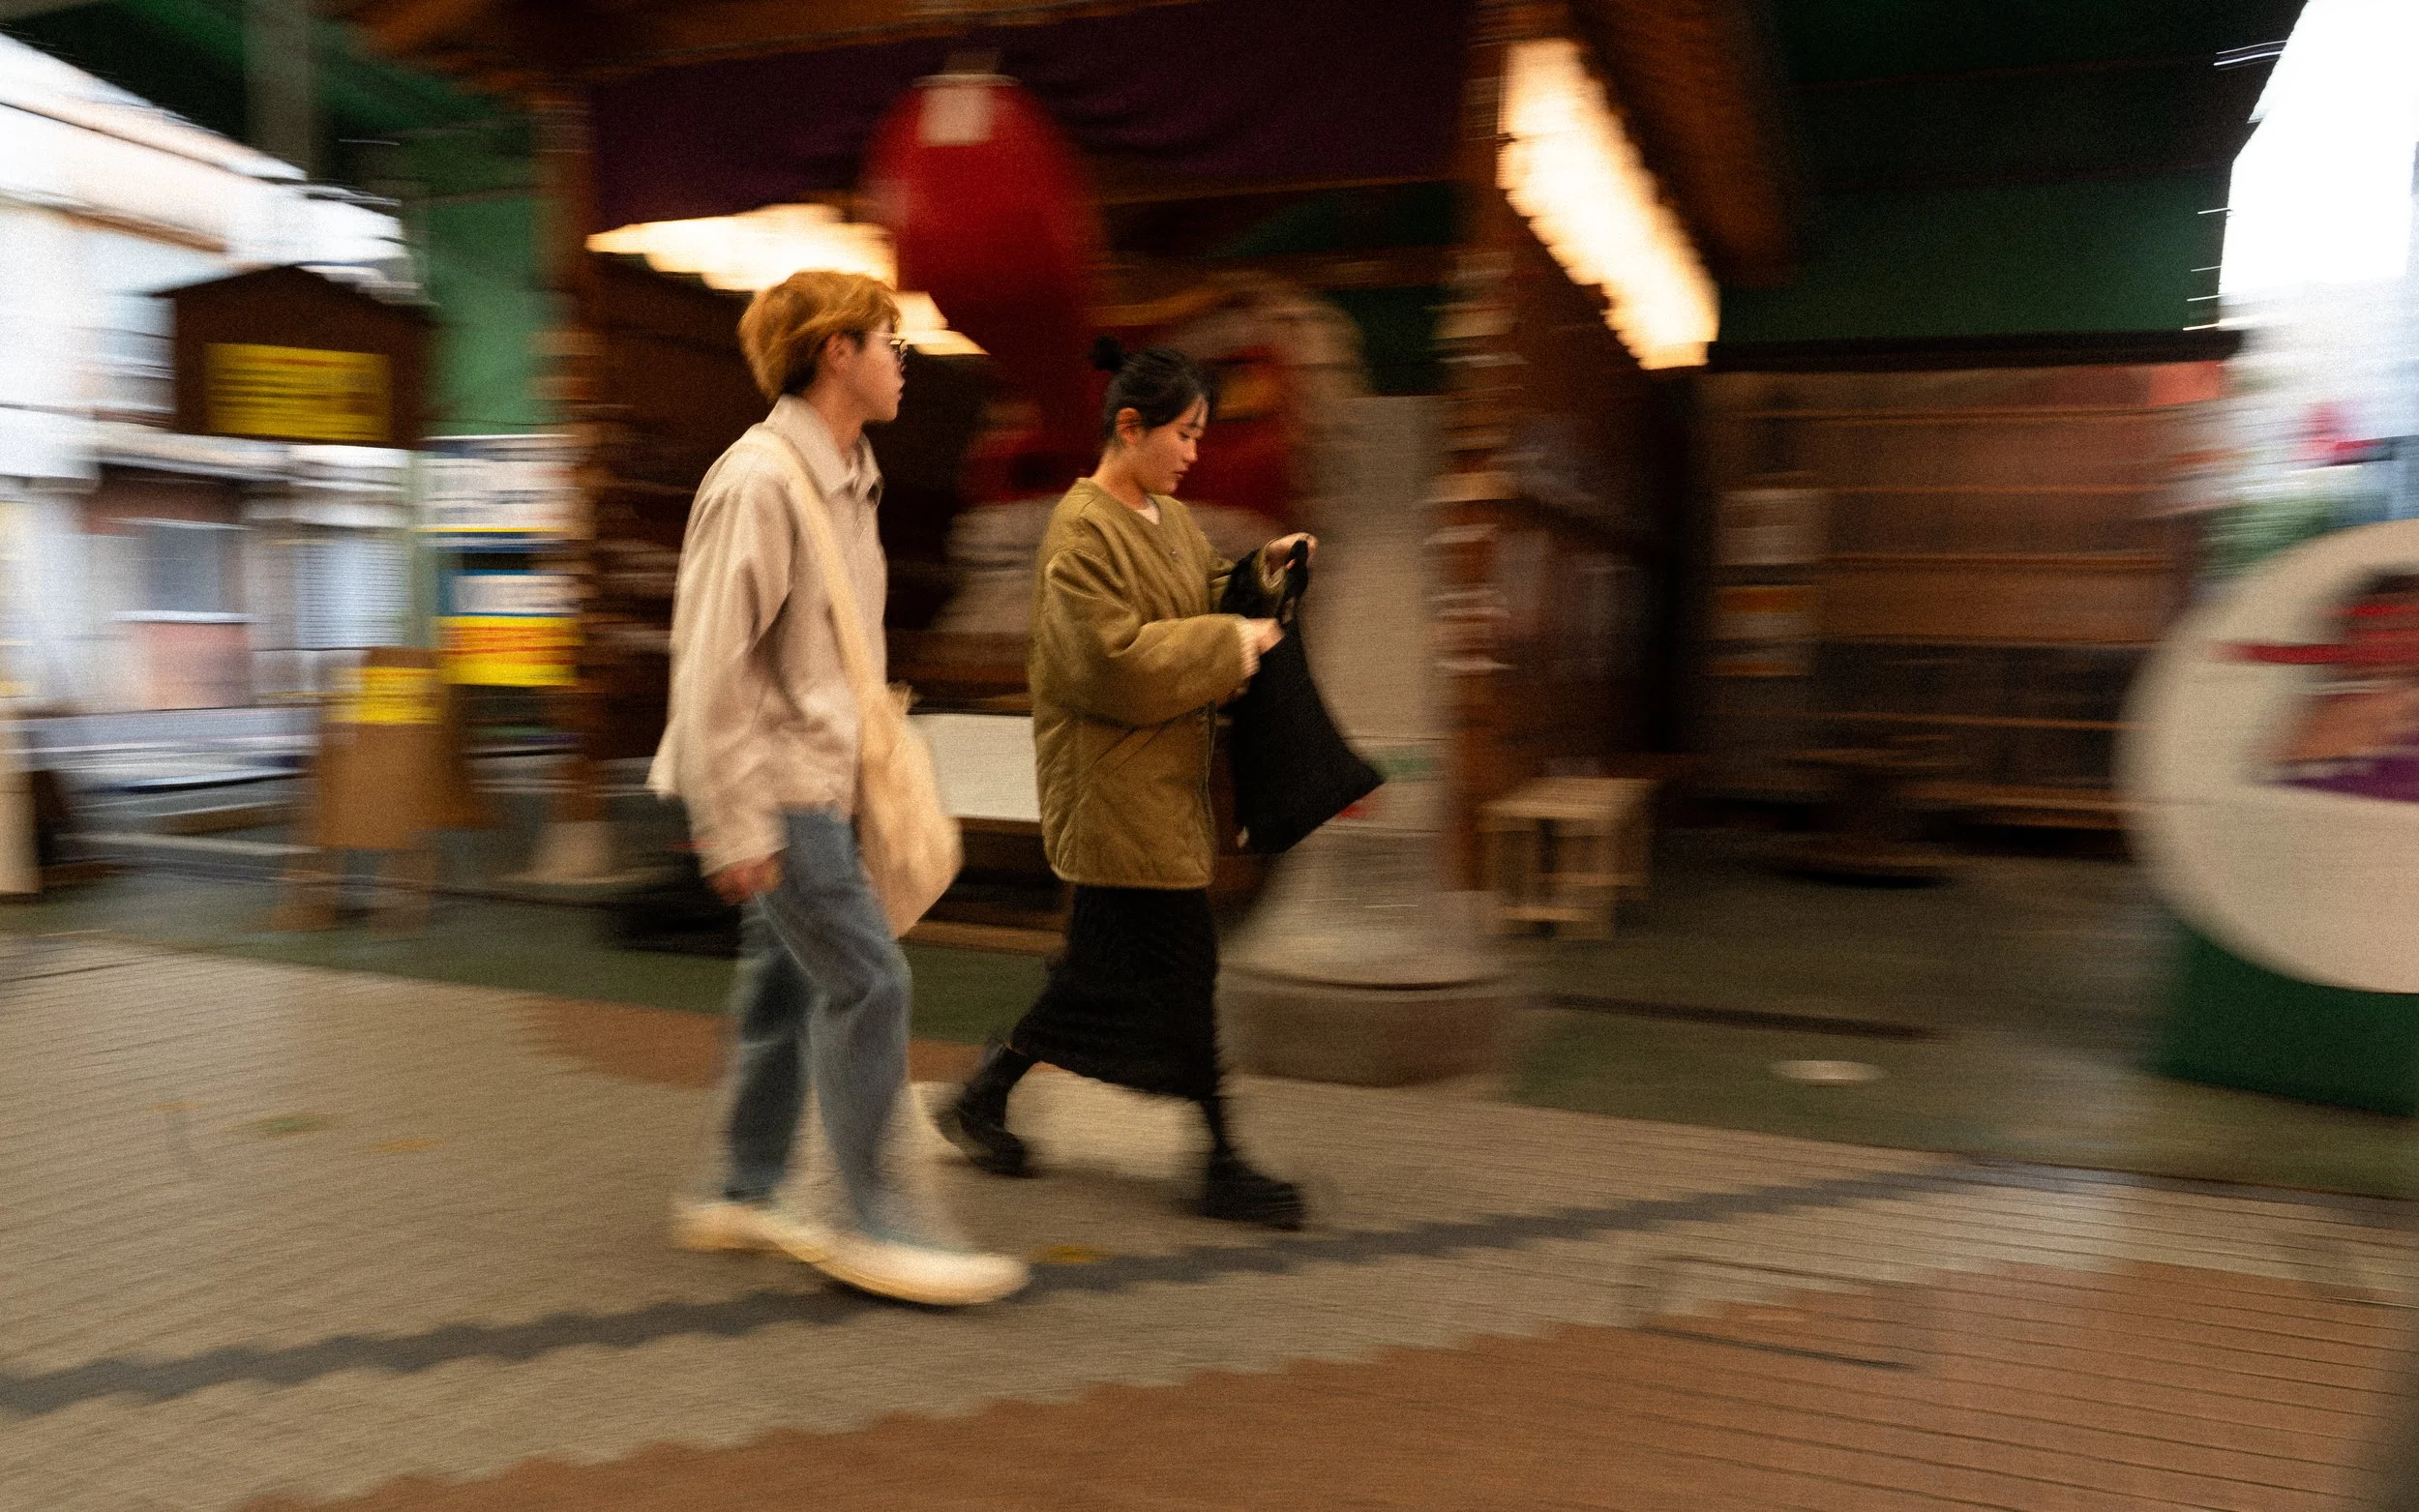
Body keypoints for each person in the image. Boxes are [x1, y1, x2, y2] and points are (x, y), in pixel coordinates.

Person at [651, 269, 1027, 1307]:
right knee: (870, 981)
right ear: (835, 354)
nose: (902, 361)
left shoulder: (845, 477)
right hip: (779, 789)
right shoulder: (761, 481)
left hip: (820, 779)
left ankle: (740, 1186)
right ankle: (874, 1221)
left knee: (784, 980)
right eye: (888, 341)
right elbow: (713, 666)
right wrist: (733, 828)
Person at [938, 339, 1314, 1230]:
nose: (1195, 452)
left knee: (1097, 977)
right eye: (1184, 434)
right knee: (1184, 972)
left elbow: (1202, 588)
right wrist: (1231, 644)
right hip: (1114, 794)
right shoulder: (1077, 533)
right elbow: (1107, 661)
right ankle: (1220, 1157)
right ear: (1130, 426)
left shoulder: (1165, 519)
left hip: (1153, 792)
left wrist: (1259, 573)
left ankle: (985, 1091)